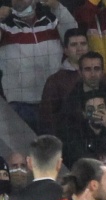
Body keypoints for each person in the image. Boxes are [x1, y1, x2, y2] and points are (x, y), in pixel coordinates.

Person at [0, 0, 77, 132]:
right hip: (19, 105)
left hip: (54, 102)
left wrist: (57, 7)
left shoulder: (51, 23)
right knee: (23, 145)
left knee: (54, 144)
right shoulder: (5, 27)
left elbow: (73, 32)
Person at [38, 27, 91, 135]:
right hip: (68, 138)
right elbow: (47, 118)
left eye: (83, 44)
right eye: (74, 45)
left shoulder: (102, 76)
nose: (79, 48)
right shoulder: (55, 81)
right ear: (65, 50)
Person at [62, 89, 106, 167]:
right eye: (91, 109)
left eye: (100, 108)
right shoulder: (76, 132)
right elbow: (81, 161)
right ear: (84, 113)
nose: (96, 112)